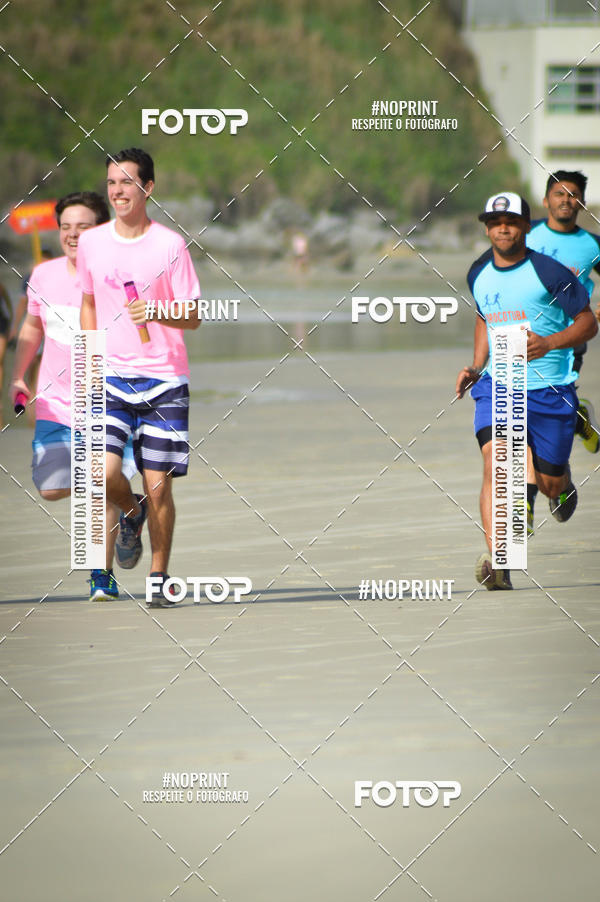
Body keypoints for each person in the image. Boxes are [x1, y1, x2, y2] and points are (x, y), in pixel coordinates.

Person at [456, 192, 598, 590]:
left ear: (525, 226)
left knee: (548, 480)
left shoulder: (552, 273)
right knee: (496, 465)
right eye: (495, 222)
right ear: (486, 227)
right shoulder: (478, 272)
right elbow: (484, 317)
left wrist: (550, 343)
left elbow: (588, 324)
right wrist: (475, 366)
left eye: (512, 222)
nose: (503, 228)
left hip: (551, 390)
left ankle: (561, 485)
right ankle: (500, 562)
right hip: (498, 385)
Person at [78, 147, 201, 606]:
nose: (117, 191)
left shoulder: (170, 245)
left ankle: (158, 577)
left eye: (127, 182)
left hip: (165, 379)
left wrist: (156, 310)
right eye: (112, 182)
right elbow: (88, 302)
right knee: (100, 470)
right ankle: (130, 514)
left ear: (148, 188)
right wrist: (88, 359)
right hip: (108, 377)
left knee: (158, 484)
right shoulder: (93, 242)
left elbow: (192, 315)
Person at [10, 191, 136, 600]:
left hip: (107, 400)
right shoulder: (43, 275)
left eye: (82, 227)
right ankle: (131, 503)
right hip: (53, 400)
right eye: (65, 227)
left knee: (98, 483)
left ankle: (101, 575)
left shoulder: (119, 275)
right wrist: (18, 377)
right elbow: (32, 328)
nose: (72, 235)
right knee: (50, 486)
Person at [525, 170, 600, 531]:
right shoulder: (528, 236)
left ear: (582, 203)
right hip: (521, 340)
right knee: (517, 419)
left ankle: (574, 419)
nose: (566, 200)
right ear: (546, 201)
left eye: (573, 195)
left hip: (567, 340)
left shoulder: (592, 244)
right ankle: (524, 503)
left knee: (544, 408)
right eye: (559, 194)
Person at [0, 279, 13, 427]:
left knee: (0, 360)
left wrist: (10, 326)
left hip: (1, 323)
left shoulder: (1, 287)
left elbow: (8, 306)